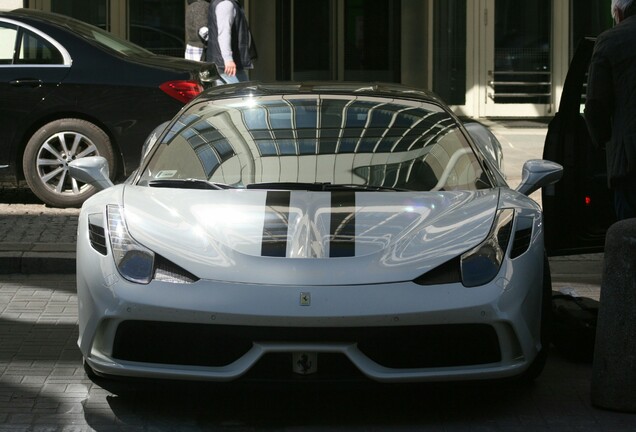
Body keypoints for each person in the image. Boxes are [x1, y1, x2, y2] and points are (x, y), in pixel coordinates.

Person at [585, 0, 636, 220]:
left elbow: (596, 105)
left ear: (617, 11)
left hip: (629, 161)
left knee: (628, 239)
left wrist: (602, 142)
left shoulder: (611, 40)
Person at [205, 0, 257, 83]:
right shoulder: (226, 4)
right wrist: (228, 59)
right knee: (242, 93)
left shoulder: (221, 3)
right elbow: (224, 33)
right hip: (227, 67)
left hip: (224, 65)